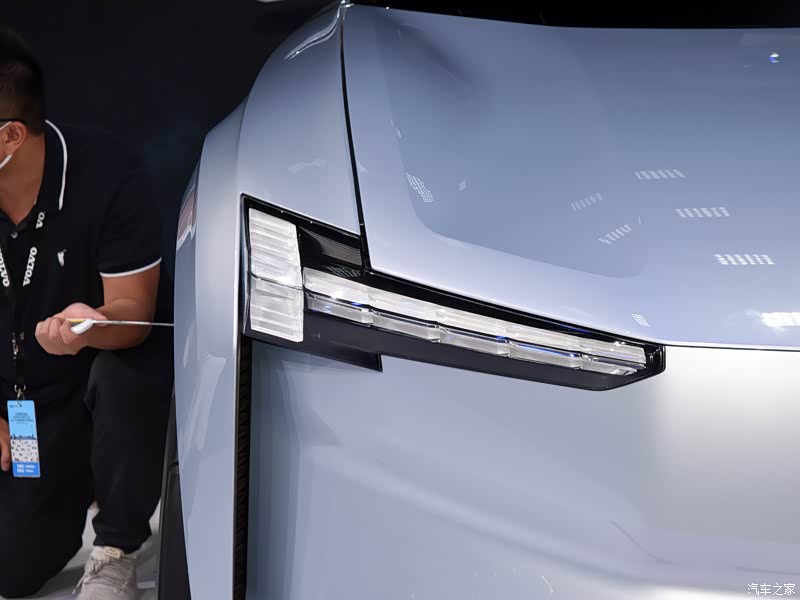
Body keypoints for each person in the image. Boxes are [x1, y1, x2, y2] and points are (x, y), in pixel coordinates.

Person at [0, 30, 173, 599]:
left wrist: (94, 323)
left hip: (99, 376)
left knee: (127, 375)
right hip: (25, 407)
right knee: (12, 569)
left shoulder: (105, 175)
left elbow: (135, 314)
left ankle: (117, 550)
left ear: (10, 136)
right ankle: (62, 488)